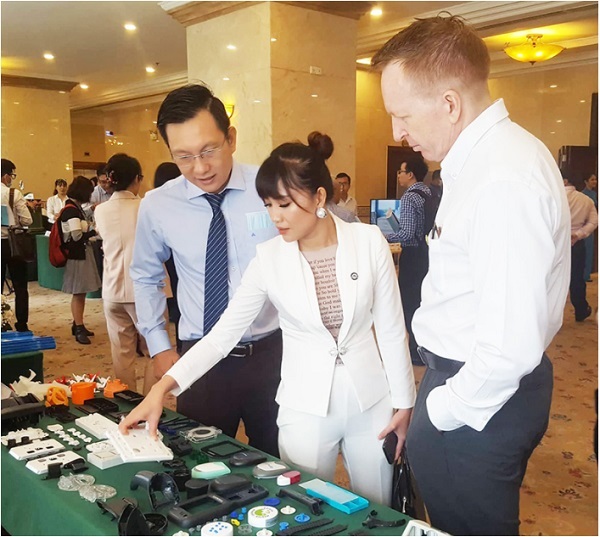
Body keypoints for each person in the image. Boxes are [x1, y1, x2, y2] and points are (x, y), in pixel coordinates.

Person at [121, 138, 416, 505]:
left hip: (371, 402)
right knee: (305, 506)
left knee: (380, 507)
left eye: (285, 204)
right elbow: (222, 336)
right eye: (268, 205)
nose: (275, 217)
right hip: (304, 406)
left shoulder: (368, 241)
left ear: (319, 197)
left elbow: (391, 329)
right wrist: (161, 388)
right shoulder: (269, 258)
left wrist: (404, 403)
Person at [372, 15, 571, 535]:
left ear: (450, 104)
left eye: (402, 115)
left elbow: (508, 348)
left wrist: (442, 409)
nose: (396, 133)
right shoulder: (490, 160)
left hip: (479, 395)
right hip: (473, 382)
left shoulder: (501, 178)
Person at [130, 84, 283, 456]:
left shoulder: (271, 187)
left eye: (208, 150)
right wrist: (158, 345)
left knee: (282, 461)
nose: (199, 168)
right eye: (183, 157)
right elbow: (145, 275)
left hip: (273, 353)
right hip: (200, 359)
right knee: (199, 462)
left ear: (231, 138)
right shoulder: (158, 205)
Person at [94, 153, 153, 392]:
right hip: (145, 290)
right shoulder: (146, 207)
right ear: (137, 178)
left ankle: (128, 403)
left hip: (112, 289)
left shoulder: (100, 210)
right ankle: (150, 403)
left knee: (121, 353)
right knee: (154, 350)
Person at [385, 154, 431, 365]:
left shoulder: (409, 197)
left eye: (401, 172)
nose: (398, 176)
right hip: (428, 253)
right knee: (423, 301)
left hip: (413, 256)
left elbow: (406, 234)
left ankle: (414, 350)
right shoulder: (428, 192)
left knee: (409, 303)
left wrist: (382, 235)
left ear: (410, 174)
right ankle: (426, 346)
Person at [59, 176, 101, 344]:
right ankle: (78, 327)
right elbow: (76, 236)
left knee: (81, 292)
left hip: (80, 254)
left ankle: (78, 324)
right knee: (78, 292)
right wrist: (94, 231)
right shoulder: (71, 210)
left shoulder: (74, 208)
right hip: (77, 255)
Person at [153, 161, 183, 353]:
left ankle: (179, 345)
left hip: (164, 261)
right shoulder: (184, 205)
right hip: (179, 260)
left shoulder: (155, 205)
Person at [1, 158, 33, 332]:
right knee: (20, 286)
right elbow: (27, 220)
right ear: (5, 176)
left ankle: (2, 323)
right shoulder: (13, 194)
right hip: (13, 244)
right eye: (12, 175)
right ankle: (21, 323)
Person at [563, 172, 598, 322]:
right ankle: (581, 309)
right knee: (577, 277)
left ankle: (550, 313)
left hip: (555, 243)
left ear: (564, 180)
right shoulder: (586, 200)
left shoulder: (554, 198)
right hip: (576, 243)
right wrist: (579, 234)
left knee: (552, 278)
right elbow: (594, 222)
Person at [582, 173, 598, 281]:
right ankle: (583, 274)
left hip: (592, 225)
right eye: (592, 179)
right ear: (586, 181)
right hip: (584, 225)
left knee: (590, 251)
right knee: (585, 251)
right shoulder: (583, 194)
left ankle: (587, 274)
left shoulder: (594, 194)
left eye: (595, 179)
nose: (595, 182)